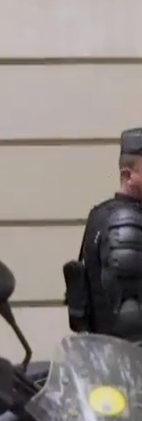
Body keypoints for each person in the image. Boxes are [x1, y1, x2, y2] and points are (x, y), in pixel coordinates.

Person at [64, 128, 142, 340]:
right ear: (128, 175)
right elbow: (132, 319)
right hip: (127, 355)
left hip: (106, 349)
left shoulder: (101, 214)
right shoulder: (126, 221)